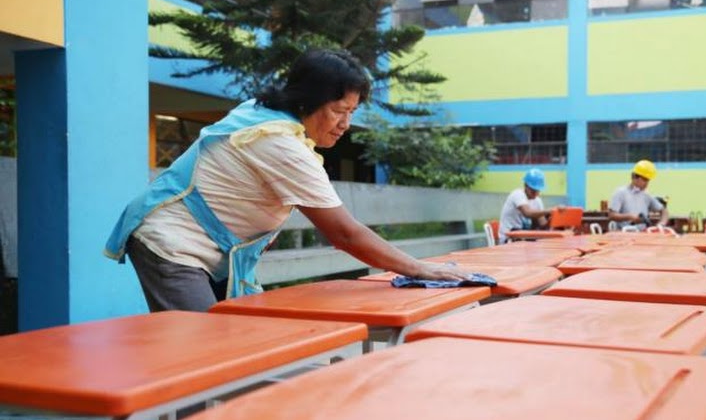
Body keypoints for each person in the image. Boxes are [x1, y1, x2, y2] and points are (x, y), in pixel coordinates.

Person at [105, 49, 472, 312]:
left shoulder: (263, 114)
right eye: (339, 111)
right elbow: (344, 234)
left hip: (217, 253)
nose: (346, 124)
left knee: (244, 341)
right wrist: (421, 268)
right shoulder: (278, 143)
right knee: (206, 353)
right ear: (308, 101)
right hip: (173, 244)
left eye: (352, 112)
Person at [607, 159, 668, 230]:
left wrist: (662, 223)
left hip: (642, 235)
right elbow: (611, 215)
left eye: (648, 181)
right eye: (644, 180)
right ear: (634, 177)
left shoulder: (646, 195)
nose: (646, 184)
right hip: (624, 235)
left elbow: (664, 211)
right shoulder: (620, 193)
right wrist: (630, 217)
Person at [497, 168, 554, 244]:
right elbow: (527, 213)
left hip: (523, 237)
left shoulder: (537, 201)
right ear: (525, 186)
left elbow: (542, 223)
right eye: (533, 190)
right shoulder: (517, 194)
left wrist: (554, 218)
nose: (536, 193)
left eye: (537, 190)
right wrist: (548, 211)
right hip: (509, 238)